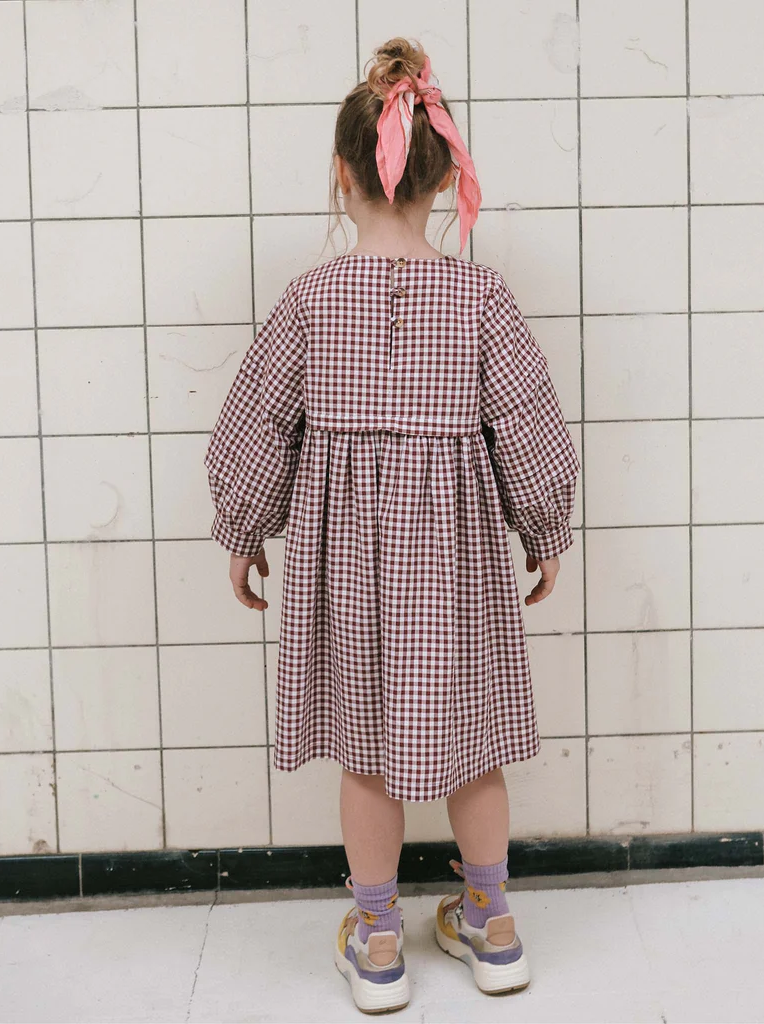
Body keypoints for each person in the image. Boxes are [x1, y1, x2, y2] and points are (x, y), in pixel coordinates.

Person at [204, 36, 580, 1016]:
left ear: (342, 173)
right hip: (456, 566)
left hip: (346, 569)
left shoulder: (310, 299)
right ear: (445, 175)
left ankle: (378, 941)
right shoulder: (481, 297)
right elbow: (530, 422)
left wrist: (244, 530)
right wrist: (543, 529)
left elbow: (257, 421)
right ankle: (492, 924)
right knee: (474, 740)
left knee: (366, 748)